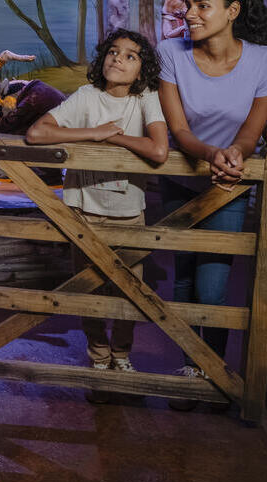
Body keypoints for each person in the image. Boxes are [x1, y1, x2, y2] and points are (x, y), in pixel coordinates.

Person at [157, 0, 267, 406]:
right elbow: (179, 130)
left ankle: (209, 373)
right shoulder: (169, 53)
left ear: (232, 12)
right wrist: (212, 153)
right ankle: (188, 370)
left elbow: (251, 135)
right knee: (183, 276)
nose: (188, 14)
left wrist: (232, 154)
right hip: (182, 175)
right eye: (187, 5)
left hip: (230, 181)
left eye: (201, 5)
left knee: (213, 284)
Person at [26, 30, 168, 373]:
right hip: (83, 212)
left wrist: (117, 138)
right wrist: (93, 133)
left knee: (130, 290)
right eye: (113, 52)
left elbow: (159, 150)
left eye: (130, 56)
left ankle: (121, 354)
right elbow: (36, 134)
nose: (118, 58)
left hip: (129, 212)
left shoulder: (146, 97)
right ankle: (99, 357)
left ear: (142, 70)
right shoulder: (86, 97)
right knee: (88, 290)